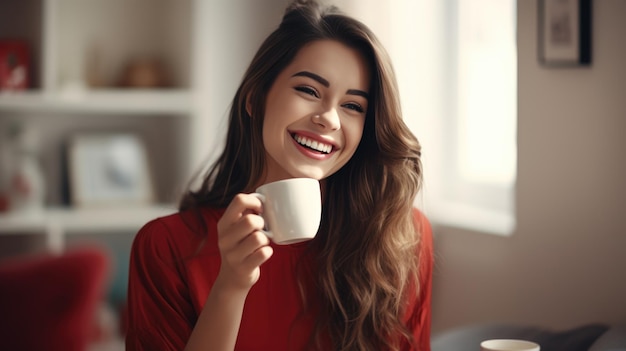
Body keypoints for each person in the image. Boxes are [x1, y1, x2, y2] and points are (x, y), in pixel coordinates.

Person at [125, 0, 433, 350]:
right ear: (256, 98)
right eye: (308, 90)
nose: (329, 119)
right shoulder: (164, 247)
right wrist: (231, 285)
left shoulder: (401, 237)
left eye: (352, 106)